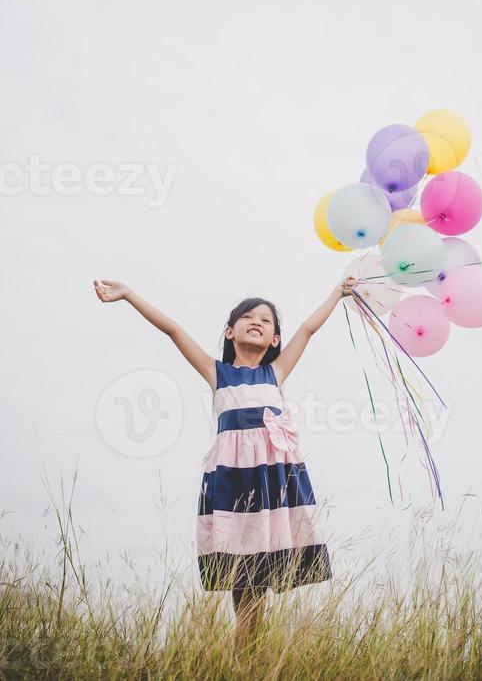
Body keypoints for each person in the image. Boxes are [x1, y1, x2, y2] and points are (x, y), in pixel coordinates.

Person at [93, 273, 359, 659]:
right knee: (241, 570)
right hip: (234, 479)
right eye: (248, 316)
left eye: (266, 320)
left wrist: (338, 292)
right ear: (230, 331)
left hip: (273, 479)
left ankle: (250, 655)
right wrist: (129, 294)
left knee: (264, 570)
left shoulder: (276, 372)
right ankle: (245, 654)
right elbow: (172, 330)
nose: (257, 321)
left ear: (275, 339)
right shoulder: (218, 373)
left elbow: (309, 329)